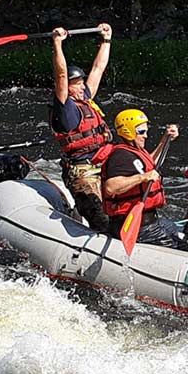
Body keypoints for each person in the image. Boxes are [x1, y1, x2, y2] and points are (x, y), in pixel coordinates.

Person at [49, 23, 114, 229]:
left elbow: (98, 68)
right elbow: (60, 75)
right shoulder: (64, 108)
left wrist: (106, 39)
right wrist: (57, 44)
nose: (80, 86)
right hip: (82, 174)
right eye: (75, 83)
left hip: (103, 165)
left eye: (80, 82)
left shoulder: (84, 98)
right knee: (102, 221)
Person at [99, 107, 188, 250]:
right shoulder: (120, 156)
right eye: (141, 132)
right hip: (135, 225)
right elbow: (111, 187)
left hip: (149, 220)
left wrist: (166, 140)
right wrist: (143, 177)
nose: (146, 136)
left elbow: (149, 165)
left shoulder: (134, 151)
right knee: (183, 250)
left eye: (146, 131)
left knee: (172, 229)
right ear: (128, 131)